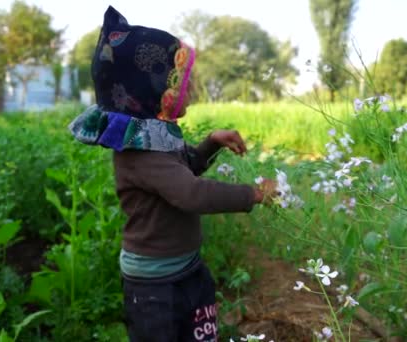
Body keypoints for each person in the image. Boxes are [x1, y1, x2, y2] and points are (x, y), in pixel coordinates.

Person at [68, 6, 276, 342]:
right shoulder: (138, 152)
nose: (190, 89)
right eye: (181, 82)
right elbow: (189, 193)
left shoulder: (154, 135)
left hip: (188, 269)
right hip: (153, 288)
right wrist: (252, 194)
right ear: (152, 92)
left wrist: (210, 143)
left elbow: (183, 168)